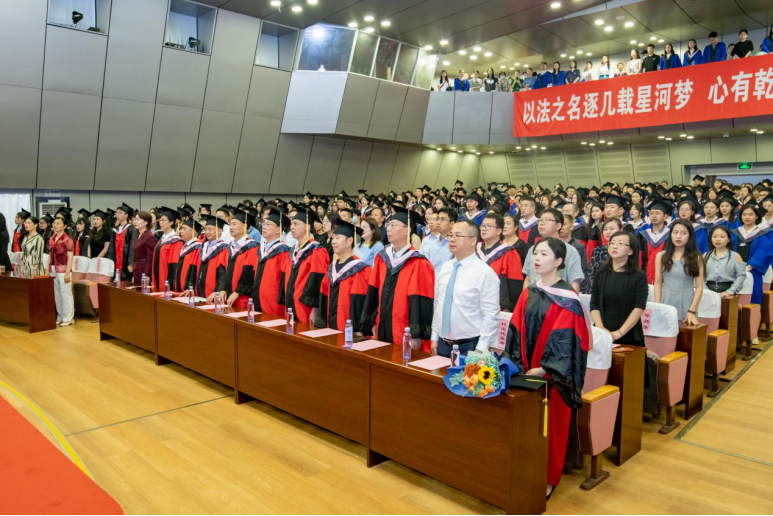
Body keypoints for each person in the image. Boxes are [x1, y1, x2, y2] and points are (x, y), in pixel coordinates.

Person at [504, 238, 590, 500]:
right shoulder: (529, 291)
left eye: (544, 254)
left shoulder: (568, 299)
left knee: (550, 428)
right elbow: (515, 329)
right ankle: (525, 471)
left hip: (553, 378)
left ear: (559, 261)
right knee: (525, 425)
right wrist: (517, 363)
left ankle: (549, 478)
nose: (537, 258)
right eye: (535, 253)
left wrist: (544, 369)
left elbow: (567, 342)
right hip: (526, 371)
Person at [361, 206, 435, 351]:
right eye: (388, 225)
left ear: (407, 230)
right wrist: (371, 322)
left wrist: (416, 334)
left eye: (393, 225)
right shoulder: (383, 257)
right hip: (382, 325)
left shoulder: (418, 262)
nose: (388, 229)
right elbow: (373, 291)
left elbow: (420, 300)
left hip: (404, 331)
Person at [431, 220, 500, 357]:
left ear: (473, 240)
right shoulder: (446, 267)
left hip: (469, 346)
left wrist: (480, 350)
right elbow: (438, 303)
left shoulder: (485, 273)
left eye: (458, 236)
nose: (452, 239)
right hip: (442, 344)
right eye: (451, 235)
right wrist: (434, 336)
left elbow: (491, 315)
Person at [591, 231, 649, 348]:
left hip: (628, 335)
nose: (615, 246)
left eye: (621, 243)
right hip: (602, 334)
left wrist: (620, 332)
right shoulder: (600, 273)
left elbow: (639, 307)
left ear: (631, 251)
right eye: (612, 243)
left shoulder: (639, 276)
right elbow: (594, 304)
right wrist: (601, 329)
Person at [317, 219, 371, 331]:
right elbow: (324, 295)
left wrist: (359, 330)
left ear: (350, 240)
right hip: (330, 327)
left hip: (349, 330)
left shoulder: (360, 269)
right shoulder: (332, 268)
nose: (333, 242)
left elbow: (360, 302)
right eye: (333, 238)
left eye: (338, 238)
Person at [278, 206, 330, 324]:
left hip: (305, 308)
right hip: (290, 304)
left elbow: (318, 281)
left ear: (307, 227)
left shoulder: (317, 250)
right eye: (291, 224)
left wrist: (315, 309)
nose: (292, 227)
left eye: (296, 224)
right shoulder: (293, 251)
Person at [654, 220, 705, 325]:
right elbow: (658, 283)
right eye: (675, 232)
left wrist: (692, 310)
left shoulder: (696, 258)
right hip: (666, 300)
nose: (678, 236)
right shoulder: (661, 256)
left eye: (683, 233)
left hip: (687, 302)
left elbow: (699, 287)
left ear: (690, 236)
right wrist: (658, 306)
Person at [522, 208, 586, 292]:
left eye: (547, 220)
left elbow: (574, 282)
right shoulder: (533, 249)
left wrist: (572, 300)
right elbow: (528, 279)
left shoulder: (570, 251)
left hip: (558, 297)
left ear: (558, 226)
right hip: (534, 296)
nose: (542, 223)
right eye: (540, 220)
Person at [478, 213, 525, 311]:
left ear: (499, 231)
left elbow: (515, 285)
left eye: (488, 226)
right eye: (482, 226)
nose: (484, 229)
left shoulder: (509, 253)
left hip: (496, 306)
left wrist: (509, 309)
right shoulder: (475, 250)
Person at [251, 207, 291, 316]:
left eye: (268, 224)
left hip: (273, 303)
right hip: (257, 298)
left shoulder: (284, 251)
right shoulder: (261, 249)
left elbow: (284, 281)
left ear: (278, 229)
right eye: (264, 224)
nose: (264, 227)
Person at [730, 204, 773, 305]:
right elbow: (729, 249)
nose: (747, 217)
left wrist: (750, 266)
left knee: (753, 298)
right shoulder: (735, 232)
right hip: (734, 269)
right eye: (744, 214)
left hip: (753, 270)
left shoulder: (764, 232)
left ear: (757, 216)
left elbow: (764, 251)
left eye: (750, 214)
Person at [220, 209, 260, 309]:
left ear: (244, 226)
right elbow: (223, 269)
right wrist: (222, 288)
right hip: (227, 295)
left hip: (242, 297)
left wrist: (238, 292)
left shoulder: (252, 247)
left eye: (234, 224)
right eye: (230, 224)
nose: (231, 227)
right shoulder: (229, 247)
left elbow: (249, 273)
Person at [704, 226, 746, 298]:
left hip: (727, 292)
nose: (718, 239)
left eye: (722, 237)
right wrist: (706, 291)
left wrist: (730, 291)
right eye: (715, 236)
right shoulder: (705, 255)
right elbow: (701, 276)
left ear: (728, 239)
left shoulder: (735, 256)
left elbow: (741, 276)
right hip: (708, 291)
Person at [639, 198, 673, 284]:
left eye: (657, 213)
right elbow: (639, 258)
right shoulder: (643, 235)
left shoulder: (671, 235)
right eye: (651, 213)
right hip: (645, 278)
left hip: (665, 279)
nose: (654, 216)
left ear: (665, 217)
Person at [49, 217, 75, 327]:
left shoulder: (67, 239)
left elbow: (70, 257)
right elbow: (50, 255)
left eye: (58, 223)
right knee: (57, 294)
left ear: (64, 226)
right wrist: (48, 269)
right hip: (53, 269)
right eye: (54, 223)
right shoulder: (52, 238)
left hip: (63, 269)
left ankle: (68, 318)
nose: (55, 225)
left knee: (66, 294)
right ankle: (60, 316)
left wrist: (67, 273)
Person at [586, 218, 624, 294]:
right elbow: (591, 275)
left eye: (612, 229)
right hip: (599, 292)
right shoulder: (597, 251)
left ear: (621, 229)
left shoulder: (626, 251)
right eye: (605, 229)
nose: (608, 232)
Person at [151, 208, 184, 290]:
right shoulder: (162, 238)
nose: (160, 222)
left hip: (167, 282)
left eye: (163, 220)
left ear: (171, 222)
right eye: (160, 220)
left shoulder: (176, 241)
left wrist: (171, 284)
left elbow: (174, 265)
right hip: (158, 278)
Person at [107, 204, 137, 282]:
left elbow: (132, 247)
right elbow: (111, 247)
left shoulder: (132, 229)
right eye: (116, 213)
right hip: (116, 262)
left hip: (126, 263)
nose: (117, 215)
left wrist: (131, 263)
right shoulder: (115, 230)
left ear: (126, 215)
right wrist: (110, 262)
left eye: (120, 212)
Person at [421, 207, 456, 272]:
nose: (438, 222)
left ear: (451, 224)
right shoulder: (431, 242)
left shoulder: (455, 244)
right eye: (438, 219)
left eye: (443, 219)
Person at [175, 217, 202, 295]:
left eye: (184, 229)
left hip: (189, 291)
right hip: (180, 289)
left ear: (193, 231)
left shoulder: (198, 248)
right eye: (181, 228)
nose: (180, 231)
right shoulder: (184, 246)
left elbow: (196, 271)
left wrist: (191, 288)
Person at [130, 211, 157, 287]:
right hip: (137, 268)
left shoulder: (149, 236)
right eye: (135, 219)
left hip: (144, 269)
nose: (135, 222)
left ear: (146, 222)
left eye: (138, 220)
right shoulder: (138, 235)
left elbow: (150, 258)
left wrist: (147, 274)